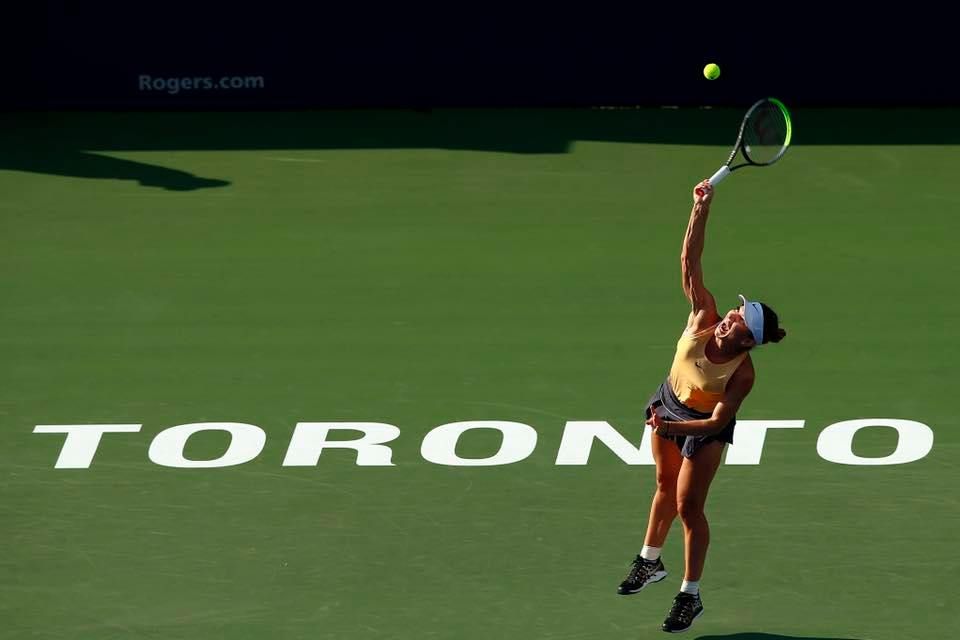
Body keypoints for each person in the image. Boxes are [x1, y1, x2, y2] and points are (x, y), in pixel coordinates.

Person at [617, 179, 787, 634]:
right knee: (662, 485)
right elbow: (689, 262)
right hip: (670, 403)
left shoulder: (743, 374)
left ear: (747, 338)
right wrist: (700, 209)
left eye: (738, 319)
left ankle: (690, 595)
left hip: (702, 430)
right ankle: (649, 562)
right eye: (734, 310)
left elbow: (716, 420)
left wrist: (672, 426)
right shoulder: (703, 315)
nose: (729, 315)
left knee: (688, 507)